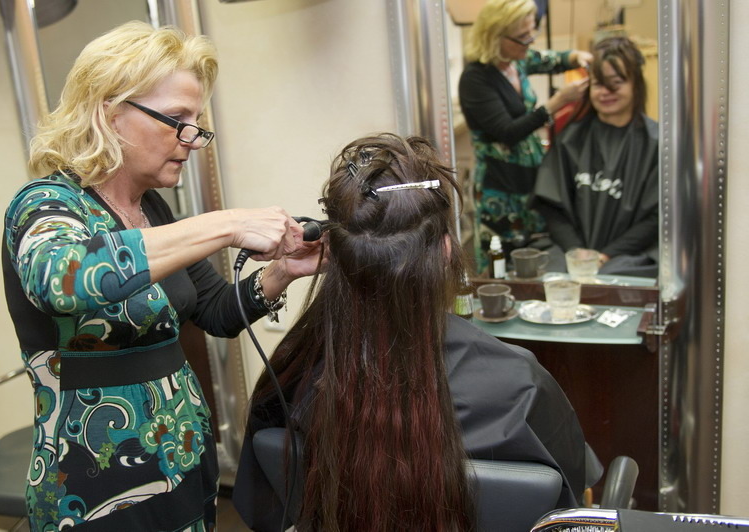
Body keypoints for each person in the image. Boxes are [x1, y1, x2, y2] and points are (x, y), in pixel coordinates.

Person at [1, 21, 321, 531]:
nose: (193, 140)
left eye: (196, 122)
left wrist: (284, 271)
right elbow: (61, 279)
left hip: (184, 454)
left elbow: (215, 311)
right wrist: (227, 224)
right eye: (177, 119)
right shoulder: (45, 203)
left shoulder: (153, 209)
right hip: (96, 479)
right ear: (110, 114)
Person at [232, 133, 589, 532]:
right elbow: (569, 506)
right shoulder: (519, 383)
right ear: (446, 251)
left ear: (336, 253)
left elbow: (263, 503)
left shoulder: (292, 370)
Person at [458, 0, 592, 273]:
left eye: (532, 31)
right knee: (501, 262)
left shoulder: (515, 62)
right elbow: (508, 132)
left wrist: (575, 57)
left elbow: (547, 60)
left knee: (534, 256)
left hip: (528, 180)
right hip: (500, 188)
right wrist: (556, 103)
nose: (530, 41)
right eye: (522, 36)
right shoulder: (475, 79)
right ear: (495, 36)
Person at [531, 36, 659, 277]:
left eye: (616, 83)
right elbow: (551, 206)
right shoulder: (570, 139)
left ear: (636, 84)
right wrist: (577, 251)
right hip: (571, 253)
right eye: (599, 84)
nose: (606, 92)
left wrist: (606, 255)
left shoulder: (656, 144)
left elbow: (657, 217)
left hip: (630, 256)